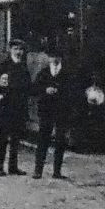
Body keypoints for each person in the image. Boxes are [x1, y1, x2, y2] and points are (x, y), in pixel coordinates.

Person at [32, 48, 80, 179]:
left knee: (60, 140)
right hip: (46, 110)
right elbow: (35, 89)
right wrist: (45, 90)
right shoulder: (43, 73)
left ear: (61, 58)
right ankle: (38, 170)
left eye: (57, 56)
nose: (54, 59)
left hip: (61, 110)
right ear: (48, 58)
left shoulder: (67, 74)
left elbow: (73, 91)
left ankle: (57, 171)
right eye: (52, 57)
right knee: (43, 139)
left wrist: (60, 91)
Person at [0, 38, 32, 176]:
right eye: (16, 49)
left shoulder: (23, 67)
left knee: (16, 139)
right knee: (3, 138)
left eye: (21, 49)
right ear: (10, 50)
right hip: (6, 107)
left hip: (19, 107)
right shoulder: (4, 66)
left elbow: (28, 87)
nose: (19, 52)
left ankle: (13, 166)